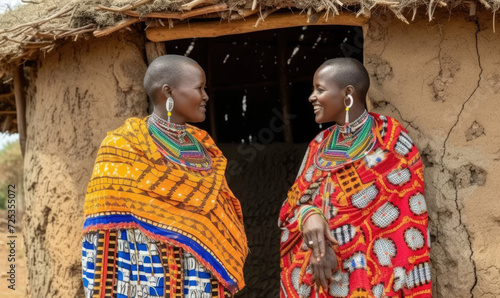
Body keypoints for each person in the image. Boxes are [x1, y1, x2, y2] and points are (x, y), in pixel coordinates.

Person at [82, 55, 248, 298]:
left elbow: (219, 211)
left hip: (204, 277)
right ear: (168, 92)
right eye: (199, 88)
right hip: (146, 280)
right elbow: (105, 230)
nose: (205, 96)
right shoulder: (123, 145)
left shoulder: (204, 145)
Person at [279, 58, 431, 298]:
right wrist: (313, 225)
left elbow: (405, 213)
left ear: (348, 93)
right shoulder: (319, 145)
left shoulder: (388, 138)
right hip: (321, 275)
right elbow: (292, 207)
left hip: (374, 275)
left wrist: (336, 244)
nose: (311, 97)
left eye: (320, 89)